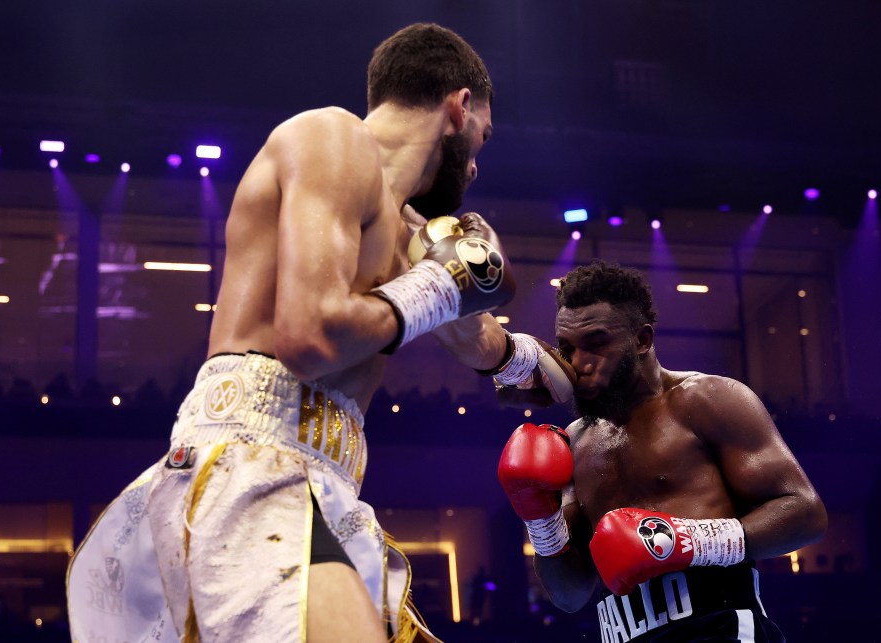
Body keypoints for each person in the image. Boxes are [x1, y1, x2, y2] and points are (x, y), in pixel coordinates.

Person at [67, 23, 573, 643]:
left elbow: (482, 343)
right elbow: (310, 337)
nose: (474, 164)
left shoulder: (412, 232)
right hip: (254, 460)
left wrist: (549, 368)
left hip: (317, 482)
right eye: (483, 139)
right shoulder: (332, 139)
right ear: (458, 107)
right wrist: (442, 285)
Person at [498, 260, 828, 642]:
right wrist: (540, 520)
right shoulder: (574, 442)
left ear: (642, 340)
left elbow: (805, 513)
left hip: (718, 631)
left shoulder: (708, 400)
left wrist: (686, 542)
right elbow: (569, 595)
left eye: (597, 343)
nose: (578, 364)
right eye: (568, 348)